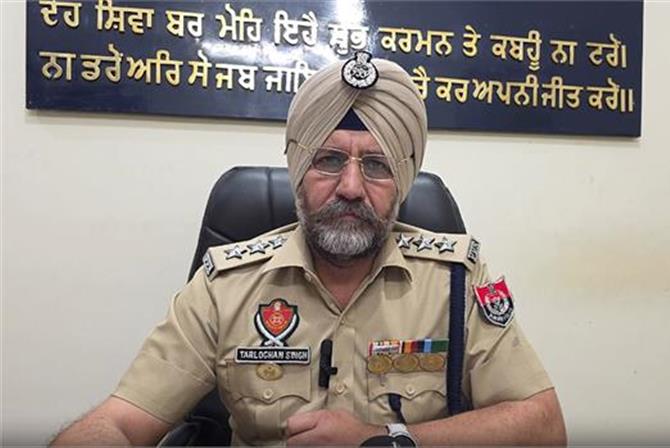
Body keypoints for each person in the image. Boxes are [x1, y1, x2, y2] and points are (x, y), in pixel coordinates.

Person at [52, 52, 566, 446]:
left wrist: (385, 440)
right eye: (328, 161)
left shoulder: (457, 279)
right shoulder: (223, 286)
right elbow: (121, 421)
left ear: (403, 182)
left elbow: (543, 425)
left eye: (376, 166)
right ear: (298, 172)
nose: (350, 187)